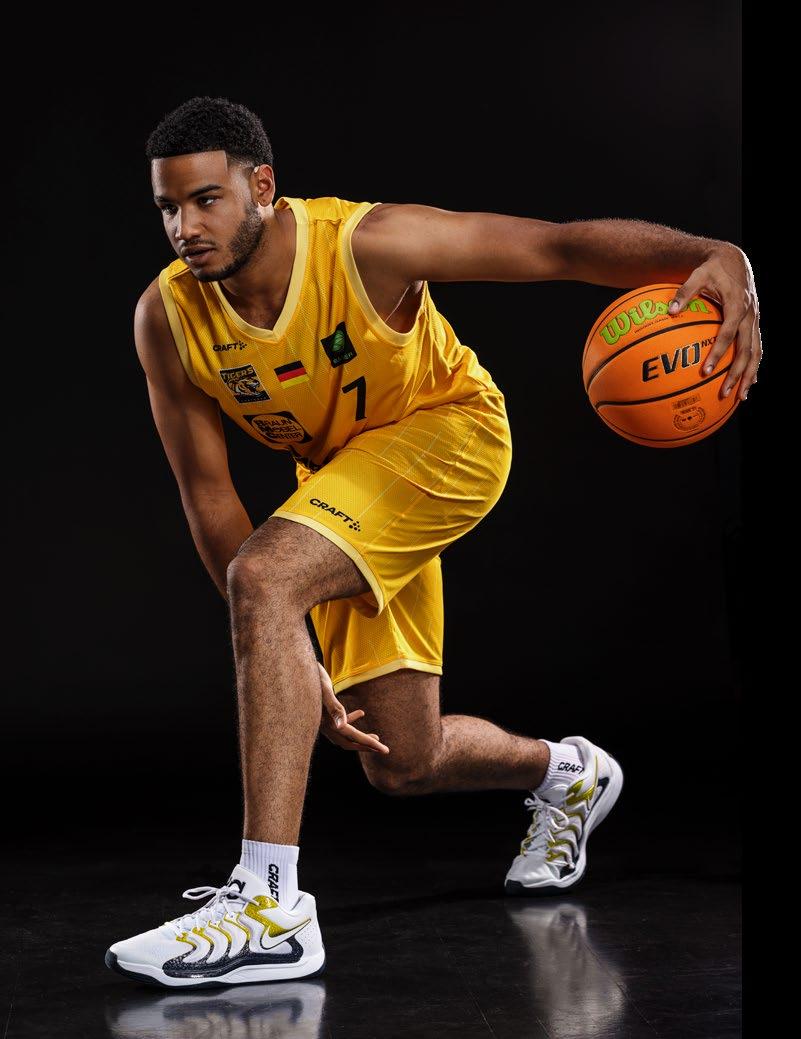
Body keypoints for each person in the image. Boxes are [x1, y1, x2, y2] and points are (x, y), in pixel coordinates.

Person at [105, 96, 760, 989]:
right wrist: (286, 643)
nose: (185, 227)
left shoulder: (369, 245)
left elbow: (556, 248)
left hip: (447, 435)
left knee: (268, 572)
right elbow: (209, 496)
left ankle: (268, 907)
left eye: (205, 199)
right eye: (168, 207)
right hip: (345, 482)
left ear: (261, 187)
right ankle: (567, 773)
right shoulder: (167, 317)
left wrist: (713, 255)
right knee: (399, 758)